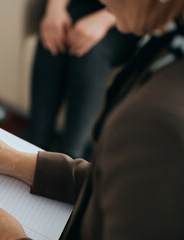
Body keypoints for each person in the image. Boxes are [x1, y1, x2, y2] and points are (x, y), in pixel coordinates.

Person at [0, 0, 184, 239]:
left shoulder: (154, 123)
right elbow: (107, 182)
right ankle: (39, 138)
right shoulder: (170, 58)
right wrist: (9, 157)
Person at [28, 0, 139, 158]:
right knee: (54, 33)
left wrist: (108, 17)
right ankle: (36, 140)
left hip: (127, 19)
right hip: (84, 6)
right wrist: (55, 8)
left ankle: (71, 153)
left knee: (90, 52)